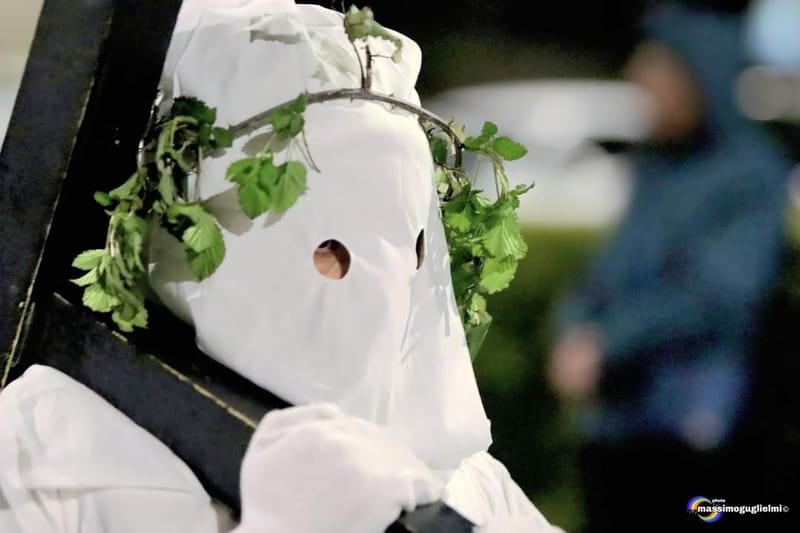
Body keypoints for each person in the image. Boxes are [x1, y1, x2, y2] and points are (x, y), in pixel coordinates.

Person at [0, 1, 562, 532]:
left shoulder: (472, 486)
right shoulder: (52, 448)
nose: (386, 286)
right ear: (195, 234)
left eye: (412, 250)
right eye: (331, 246)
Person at [548, 2, 792, 531]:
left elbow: (718, 291)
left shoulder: (749, 173)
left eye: (659, 69)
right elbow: (610, 271)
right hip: (616, 424)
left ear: (698, 76)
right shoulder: (657, 166)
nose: (641, 81)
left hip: (693, 430)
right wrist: (575, 326)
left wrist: (609, 341)